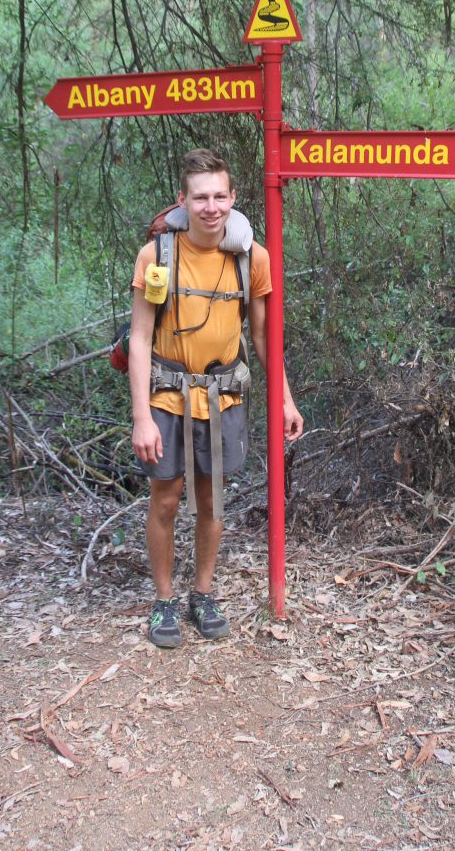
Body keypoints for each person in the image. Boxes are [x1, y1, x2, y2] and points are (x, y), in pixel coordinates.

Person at [129, 147, 303, 648]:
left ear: (233, 198)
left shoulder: (253, 258)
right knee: (165, 499)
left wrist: (286, 401)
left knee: (212, 501)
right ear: (183, 200)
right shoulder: (158, 255)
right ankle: (164, 600)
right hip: (165, 395)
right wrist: (141, 416)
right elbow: (140, 339)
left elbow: (268, 338)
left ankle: (201, 593)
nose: (210, 207)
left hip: (223, 395)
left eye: (219, 196)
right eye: (200, 197)